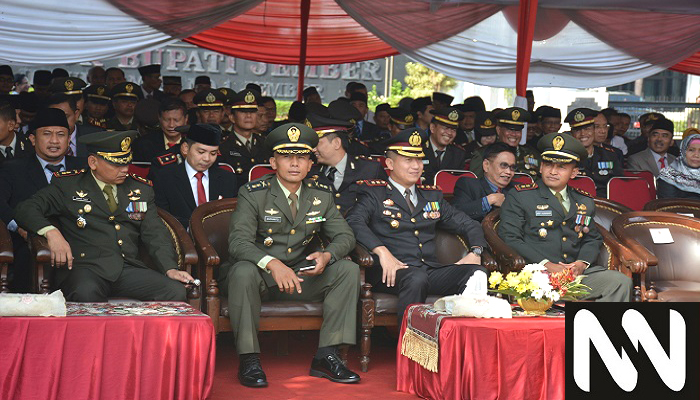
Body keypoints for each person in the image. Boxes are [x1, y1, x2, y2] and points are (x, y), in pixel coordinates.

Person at [220, 123, 361, 387]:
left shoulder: (321, 195)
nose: (294, 164)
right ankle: (249, 359)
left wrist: (327, 256)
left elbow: (345, 236)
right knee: (242, 270)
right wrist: (272, 263)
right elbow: (238, 243)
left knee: (347, 270)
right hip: (259, 277)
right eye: (286, 157)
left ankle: (327, 355)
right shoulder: (253, 193)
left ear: (311, 164)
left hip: (297, 277)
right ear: (273, 162)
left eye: (302, 157)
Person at [14, 130, 194, 301]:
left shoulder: (140, 189)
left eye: (126, 162)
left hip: (128, 268)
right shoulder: (68, 185)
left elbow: (155, 233)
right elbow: (25, 209)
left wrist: (170, 268)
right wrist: (51, 232)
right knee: (86, 292)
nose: (124, 169)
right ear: (93, 162)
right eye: (116, 164)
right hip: (85, 268)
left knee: (174, 291)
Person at [346, 128, 489, 322]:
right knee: (415, 278)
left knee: (477, 273)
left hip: (428, 271)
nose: (416, 166)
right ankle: (409, 346)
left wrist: (476, 252)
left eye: (419, 160)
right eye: (408, 160)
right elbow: (353, 221)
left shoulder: (431, 196)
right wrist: (382, 252)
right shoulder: (374, 194)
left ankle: (459, 340)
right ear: (389, 164)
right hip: (391, 272)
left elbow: (468, 223)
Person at [498, 132, 634, 302]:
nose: (553, 171)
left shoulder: (584, 201)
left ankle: (597, 328)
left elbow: (592, 238)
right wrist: (547, 264)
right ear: (540, 167)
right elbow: (510, 237)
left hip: (573, 275)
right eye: (548, 164)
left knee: (620, 282)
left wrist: (581, 264)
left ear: (574, 172)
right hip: (536, 273)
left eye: (561, 167)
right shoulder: (521, 196)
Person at [0, 108, 86, 292]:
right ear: (32, 139)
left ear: (68, 139)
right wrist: (20, 228)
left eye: (61, 135)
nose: (54, 141)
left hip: (79, 241)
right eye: (47, 134)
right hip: (28, 242)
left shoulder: (84, 168)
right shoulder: (13, 169)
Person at [153, 124, 238, 228]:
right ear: (185, 148)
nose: (207, 158)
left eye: (213, 153)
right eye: (201, 152)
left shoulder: (228, 179)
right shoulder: (165, 178)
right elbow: (162, 218)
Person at [308, 113, 387, 215]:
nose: (313, 149)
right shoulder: (311, 172)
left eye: (317, 143)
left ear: (336, 143)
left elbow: (384, 209)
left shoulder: (370, 169)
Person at [453, 142, 516, 222]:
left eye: (512, 167)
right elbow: (455, 214)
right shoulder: (468, 185)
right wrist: (489, 200)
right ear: (486, 165)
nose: (509, 172)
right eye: (503, 165)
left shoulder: (517, 190)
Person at [470, 107, 540, 178]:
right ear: (498, 130)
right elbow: (474, 184)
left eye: (518, 131)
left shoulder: (531, 153)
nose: (514, 134)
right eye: (509, 130)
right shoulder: (482, 154)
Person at [566, 108, 622, 197]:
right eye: (578, 130)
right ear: (572, 134)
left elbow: (620, 186)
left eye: (587, 129)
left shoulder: (610, 155)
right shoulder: (566, 158)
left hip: (607, 205)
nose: (583, 134)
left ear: (593, 131)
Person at [219, 89, 270, 184]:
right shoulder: (223, 146)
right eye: (243, 112)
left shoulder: (266, 144)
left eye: (253, 112)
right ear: (232, 117)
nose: (249, 116)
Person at [133, 98, 187, 164]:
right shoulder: (143, 145)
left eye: (176, 120)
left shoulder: (193, 143)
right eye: (166, 120)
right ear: (159, 118)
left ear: (186, 119)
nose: (171, 125)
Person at [422, 107, 467, 183]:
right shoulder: (419, 149)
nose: (449, 133)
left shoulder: (458, 154)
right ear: (432, 128)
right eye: (445, 128)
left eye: (453, 130)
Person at [48, 93, 102, 157]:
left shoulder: (95, 137)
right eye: (54, 117)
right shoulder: (40, 140)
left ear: (76, 115)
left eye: (65, 116)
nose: (59, 122)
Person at [657, 133, 700, 200]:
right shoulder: (668, 176)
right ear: (683, 151)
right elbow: (667, 205)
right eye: (691, 150)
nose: (696, 155)